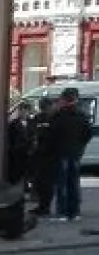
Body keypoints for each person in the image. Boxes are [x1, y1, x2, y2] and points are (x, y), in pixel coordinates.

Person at [50, 87, 92, 221]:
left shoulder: (58, 115)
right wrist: (80, 146)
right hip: (75, 152)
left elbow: (52, 134)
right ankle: (75, 212)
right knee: (74, 183)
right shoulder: (82, 115)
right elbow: (87, 134)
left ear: (64, 100)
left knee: (62, 183)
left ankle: (62, 212)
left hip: (61, 152)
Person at [29, 96, 58, 216]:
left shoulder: (54, 119)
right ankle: (42, 206)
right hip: (39, 155)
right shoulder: (38, 118)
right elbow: (31, 133)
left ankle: (45, 207)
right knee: (40, 182)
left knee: (46, 183)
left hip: (48, 155)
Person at [6, 101, 31, 187]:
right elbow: (10, 137)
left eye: (25, 110)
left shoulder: (32, 122)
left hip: (28, 151)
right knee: (16, 171)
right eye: (21, 110)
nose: (23, 112)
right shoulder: (13, 123)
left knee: (27, 173)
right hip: (16, 151)